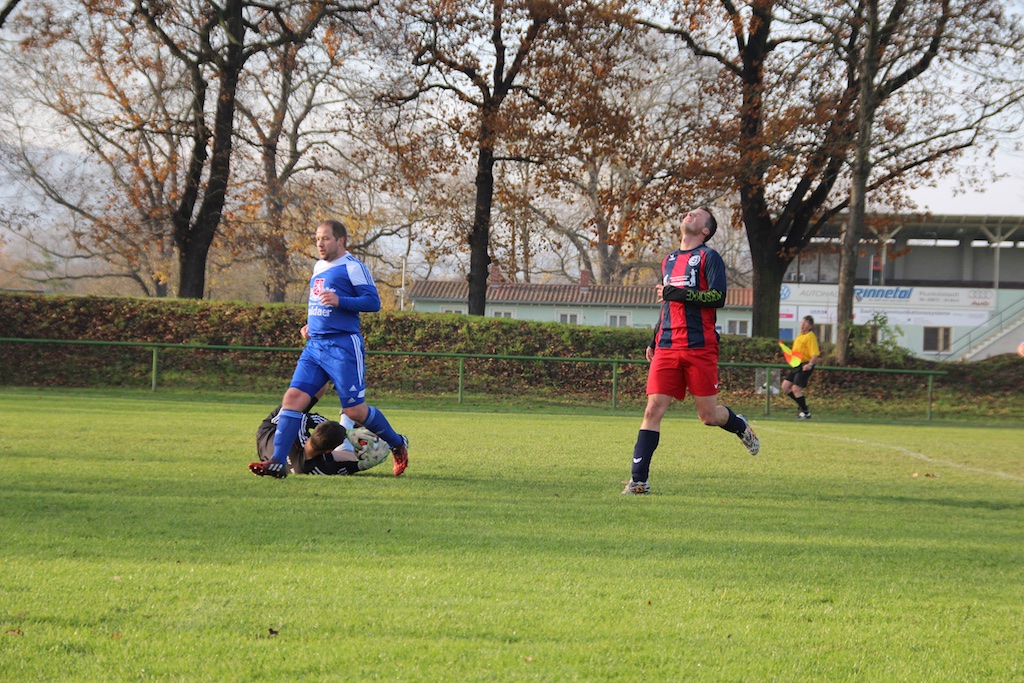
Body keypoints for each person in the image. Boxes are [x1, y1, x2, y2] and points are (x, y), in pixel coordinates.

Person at [249, 219, 409, 479]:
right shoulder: (318, 267)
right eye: (317, 239)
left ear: (340, 241)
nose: (320, 244)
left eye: (325, 238)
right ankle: (277, 461)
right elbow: (320, 304)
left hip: (343, 345)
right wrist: (310, 325)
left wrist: (340, 300)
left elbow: (373, 302)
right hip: (315, 346)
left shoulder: (353, 267)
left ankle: (397, 443)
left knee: (354, 411)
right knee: (292, 399)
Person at [623, 207, 760, 495]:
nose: (689, 214)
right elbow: (668, 304)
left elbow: (718, 297)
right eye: (688, 212)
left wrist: (680, 293)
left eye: (697, 215)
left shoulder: (710, 258)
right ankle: (639, 481)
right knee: (652, 409)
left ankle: (740, 425)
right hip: (668, 345)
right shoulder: (669, 260)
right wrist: (653, 338)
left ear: (705, 231)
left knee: (708, 416)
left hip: (700, 346)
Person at [255, 387, 388, 475]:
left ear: (312, 433)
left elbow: (301, 417)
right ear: (328, 451)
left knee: (312, 391)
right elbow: (349, 465)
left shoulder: (296, 434)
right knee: (348, 456)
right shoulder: (322, 466)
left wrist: (340, 432)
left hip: (269, 432)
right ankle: (346, 415)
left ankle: (347, 416)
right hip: (270, 437)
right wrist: (365, 464)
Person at [781, 315, 820, 419]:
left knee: (796, 388)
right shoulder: (800, 335)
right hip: (797, 364)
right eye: (801, 323)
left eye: (805, 323)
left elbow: (815, 354)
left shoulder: (810, 337)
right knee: (785, 386)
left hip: (805, 365)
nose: (802, 325)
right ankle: (802, 406)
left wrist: (810, 364)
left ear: (810, 326)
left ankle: (806, 412)